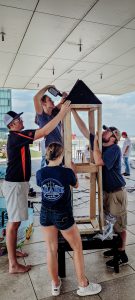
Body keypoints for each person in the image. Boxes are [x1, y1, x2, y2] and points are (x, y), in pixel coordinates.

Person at [2, 102, 70, 274]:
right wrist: (61, 113)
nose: (21, 120)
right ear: (12, 125)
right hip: (15, 185)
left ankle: (13, 252)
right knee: (13, 223)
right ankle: (13, 264)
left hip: (19, 184)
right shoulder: (16, 137)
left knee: (16, 222)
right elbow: (45, 131)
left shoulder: (19, 136)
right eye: (18, 119)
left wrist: (59, 107)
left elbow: (43, 130)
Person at [36, 142, 102, 297]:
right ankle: (83, 284)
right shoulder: (66, 173)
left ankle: (55, 284)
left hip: (45, 213)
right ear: (61, 155)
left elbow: (43, 185)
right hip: (63, 214)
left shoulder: (40, 173)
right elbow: (76, 185)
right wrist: (73, 171)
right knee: (77, 247)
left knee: (51, 249)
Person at [72, 110, 128, 269]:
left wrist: (95, 142)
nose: (104, 131)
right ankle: (115, 247)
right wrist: (74, 112)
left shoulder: (114, 150)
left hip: (116, 192)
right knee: (110, 222)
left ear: (113, 138)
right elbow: (85, 130)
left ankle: (122, 253)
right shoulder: (103, 147)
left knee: (120, 224)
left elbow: (99, 161)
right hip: (107, 192)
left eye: (108, 131)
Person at [33, 85, 67, 164]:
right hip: (51, 153)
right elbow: (36, 98)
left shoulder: (55, 113)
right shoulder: (42, 116)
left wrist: (65, 97)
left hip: (60, 150)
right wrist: (48, 86)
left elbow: (63, 102)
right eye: (50, 100)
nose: (53, 101)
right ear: (43, 103)